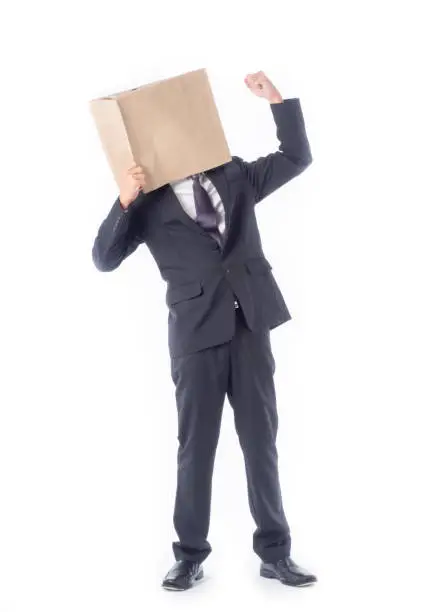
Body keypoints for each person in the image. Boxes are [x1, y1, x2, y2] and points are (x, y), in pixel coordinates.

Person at [92, 71, 316, 591]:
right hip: (195, 335)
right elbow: (103, 259)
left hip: (249, 322)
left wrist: (276, 102)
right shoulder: (145, 207)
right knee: (197, 447)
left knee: (262, 440)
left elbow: (296, 157)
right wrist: (124, 199)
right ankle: (190, 554)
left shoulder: (233, 174)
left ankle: (275, 552)